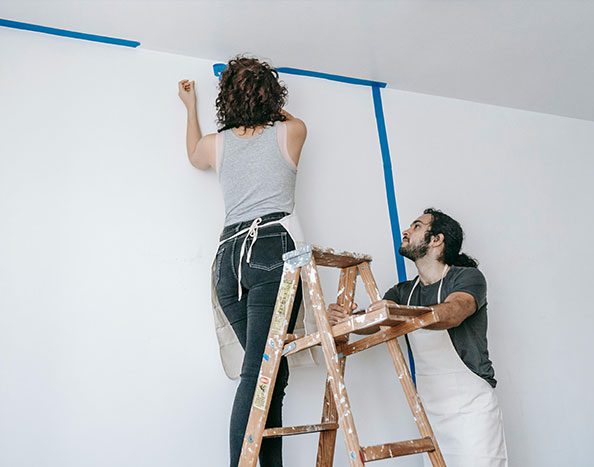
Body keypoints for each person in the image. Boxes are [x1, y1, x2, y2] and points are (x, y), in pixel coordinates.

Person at [178, 56, 312, 467]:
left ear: (228, 102)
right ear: (272, 98)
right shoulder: (292, 132)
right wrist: (262, 102)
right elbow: (286, 117)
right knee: (261, 373)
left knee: (273, 373)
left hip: (229, 260)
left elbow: (193, 156)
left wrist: (190, 108)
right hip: (271, 250)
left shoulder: (217, 144)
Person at [328, 208, 508, 467]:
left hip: (472, 408)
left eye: (416, 226)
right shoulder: (403, 291)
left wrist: (400, 313)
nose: (406, 231)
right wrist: (348, 320)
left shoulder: (466, 278)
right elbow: (374, 322)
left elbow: (454, 312)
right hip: (431, 411)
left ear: (436, 240)